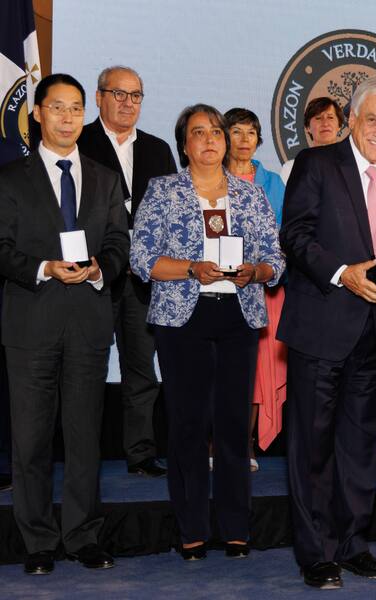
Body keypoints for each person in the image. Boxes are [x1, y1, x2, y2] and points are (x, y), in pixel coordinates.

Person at [278, 75, 376, 589]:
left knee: (360, 446)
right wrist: (343, 274)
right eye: (373, 120)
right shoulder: (316, 164)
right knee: (312, 446)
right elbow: (294, 234)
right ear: (352, 120)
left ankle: (353, 544)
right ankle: (315, 552)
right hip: (320, 326)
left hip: (374, 331)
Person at [130, 104, 284, 561]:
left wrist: (256, 272)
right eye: (199, 132)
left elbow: (275, 258)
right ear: (184, 144)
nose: (211, 139)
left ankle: (236, 527)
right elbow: (142, 258)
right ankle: (192, 529)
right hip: (183, 319)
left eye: (216, 131)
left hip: (238, 316)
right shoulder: (163, 191)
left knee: (235, 427)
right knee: (188, 426)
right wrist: (191, 268)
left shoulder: (250, 194)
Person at [0, 73, 129, 574]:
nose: (68, 117)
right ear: (37, 113)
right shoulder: (11, 178)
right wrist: (43, 268)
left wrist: (100, 270)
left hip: (89, 324)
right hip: (31, 323)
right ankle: (37, 541)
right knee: (31, 440)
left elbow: (118, 242)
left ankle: (82, 535)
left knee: (84, 437)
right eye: (57, 107)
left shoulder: (105, 177)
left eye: (76, 108)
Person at [77, 65, 177, 477]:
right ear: (99, 97)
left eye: (135, 95)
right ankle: (83, 452)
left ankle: (141, 453)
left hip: (142, 281)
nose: (127, 103)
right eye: (118, 94)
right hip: (91, 275)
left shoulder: (157, 149)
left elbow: (172, 213)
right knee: (85, 369)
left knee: (141, 369)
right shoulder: (78, 141)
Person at [224, 107, 286, 472]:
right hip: (217, 283)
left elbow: (282, 234)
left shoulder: (273, 182)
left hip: (264, 288)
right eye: (236, 131)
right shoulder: (210, 176)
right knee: (222, 370)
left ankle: (244, 445)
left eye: (250, 132)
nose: (244, 139)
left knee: (257, 373)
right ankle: (216, 442)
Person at [279, 97, 345, 184]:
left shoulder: (353, 165)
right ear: (307, 128)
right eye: (318, 118)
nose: (325, 123)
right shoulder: (291, 168)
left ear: (339, 126)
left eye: (330, 117)